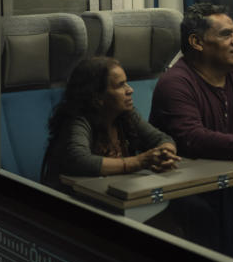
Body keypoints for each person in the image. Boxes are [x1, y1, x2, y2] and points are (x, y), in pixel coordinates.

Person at [149, 2, 233, 262]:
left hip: (232, 187)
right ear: (197, 42)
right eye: (226, 34)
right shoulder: (175, 84)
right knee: (211, 224)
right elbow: (196, 140)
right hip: (185, 190)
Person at [41, 56, 180, 192]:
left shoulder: (126, 115)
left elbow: (161, 139)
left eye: (126, 83)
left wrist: (165, 154)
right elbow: (79, 159)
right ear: (97, 96)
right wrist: (139, 162)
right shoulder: (77, 121)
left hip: (117, 195)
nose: (130, 90)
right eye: (120, 85)